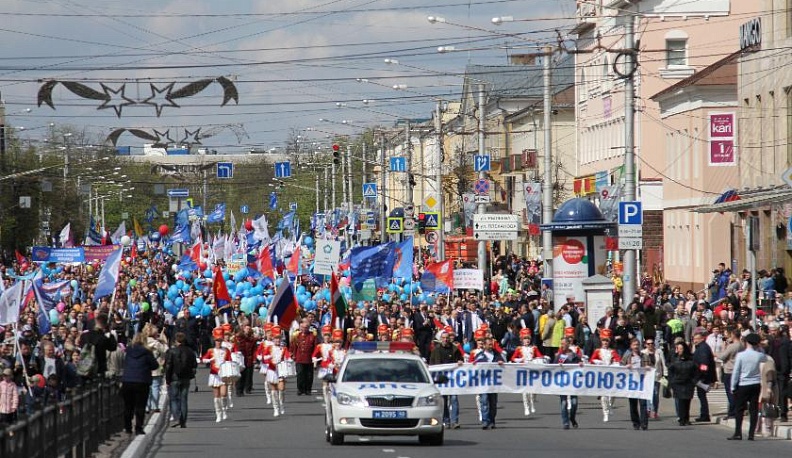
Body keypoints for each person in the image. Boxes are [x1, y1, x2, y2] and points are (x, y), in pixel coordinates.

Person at [729, 333, 766, 441]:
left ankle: (738, 432)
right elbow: (765, 358)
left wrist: (732, 386)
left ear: (746, 342)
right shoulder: (760, 355)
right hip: (756, 384)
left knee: (739, 409)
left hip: (743, 384)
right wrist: (760, 348)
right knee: (754, 409)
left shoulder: (741, 355)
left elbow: (736, 371)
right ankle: (751, 434)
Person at [120, 332, 159, 435]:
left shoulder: (128, 351)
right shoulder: (147, 352)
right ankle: (138, 427)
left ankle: (127, 427)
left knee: (128, 405)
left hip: (128, 380)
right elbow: (155, 365)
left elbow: (123, 363)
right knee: (140, 406)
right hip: (142, 380)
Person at [429, 329, 464, 429]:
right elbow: (432, 363)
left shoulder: (454, 349)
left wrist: (460, 361)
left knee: (454, 400)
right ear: (440, 339)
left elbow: (460, 359)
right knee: (443, 401)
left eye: (447, 338)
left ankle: (454, 421)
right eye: (443, 338)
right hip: (441, 380)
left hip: (453, 379)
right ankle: (446, 421)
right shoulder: (436, 350)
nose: (445, 340)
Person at [164, 332, 197, 428]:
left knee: (174, 398)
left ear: (176, 340)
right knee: (184, 399)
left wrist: (167, 379)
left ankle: (177, 417)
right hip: (186, 377)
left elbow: (168, 366)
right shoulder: (190, 351)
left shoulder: (171, 351)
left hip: (174, 378)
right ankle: (183, 421)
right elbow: (194, 364)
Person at [259, 325, 292, 417]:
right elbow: (263, 357)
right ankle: (276, 408)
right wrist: (269, 357)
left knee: (281, 389)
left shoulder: (284, 348)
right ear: (273, 339)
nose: (277, 340)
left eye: (279, 338)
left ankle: (281, 404)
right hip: (272, 369)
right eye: (276, 338)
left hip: (281, 370)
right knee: (273, 390)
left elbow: (287, 356)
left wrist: (289, 360)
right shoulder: (269, 348)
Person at [473, 336, 505, 429]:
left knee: (493, 403)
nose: (491, 346)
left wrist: (500, 362)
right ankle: (485, 421)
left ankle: (492, 421)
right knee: (484, 401)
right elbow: (473, 365)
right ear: (484, 345)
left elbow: (503, 362)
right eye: (489, 344)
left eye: (492, 344)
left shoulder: (497, 354)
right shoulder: (480, 356)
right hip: (483, 383)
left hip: (494, 383)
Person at [201, 327, 232, 423]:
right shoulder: (211, 350)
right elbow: (203, 359)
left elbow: (230, 361)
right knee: (216, 396)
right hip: (214, 375)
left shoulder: (226, 350)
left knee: (223, 394)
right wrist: (210, 360)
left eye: (220, 340)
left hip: (223, 374)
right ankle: (218, 414)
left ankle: (224, 410)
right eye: (217, 340)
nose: (218, 342)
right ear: (214, 341)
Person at [510, 328, 543, 415]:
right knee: (524, 390)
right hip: (523, 370)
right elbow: (513, 358)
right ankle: (526, 407)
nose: (527, 340)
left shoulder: (534, 348)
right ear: (521, 339)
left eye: (528, 338)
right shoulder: (519, 349)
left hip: (532, 370)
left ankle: (532, 404)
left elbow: (540, 357)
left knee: (533, 390)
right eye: (525, 338)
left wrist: (536, 360)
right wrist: (520, 359)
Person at [590, 329, 620, 422]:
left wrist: (614, 363)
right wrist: (598, 362)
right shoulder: (597, 351)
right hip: (601, 376)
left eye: (607, 340)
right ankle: (605, 413)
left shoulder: (612, 351)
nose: (605, 342)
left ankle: (610, 405)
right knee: (604, 396)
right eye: (604, 340)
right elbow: (591, 360)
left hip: (611, 375)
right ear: (601, 341)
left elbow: (618, 360)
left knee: (613, 394)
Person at [77, 313, 118, 381]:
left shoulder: (84, 335)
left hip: (84, 368)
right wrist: (110, 333)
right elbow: (113, 347)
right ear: (106, 324)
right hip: (98, 370)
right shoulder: (103, 338)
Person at [622, 338, 651, 430]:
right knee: (633, 404)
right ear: (631, 346)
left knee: (643, 404)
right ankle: (635, 422)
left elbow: (651, 367)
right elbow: (620, 367)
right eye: (634, 345)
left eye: (637, 345)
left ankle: (644, 423)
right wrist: (626, 366)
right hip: (631, 383)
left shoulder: (644, 356)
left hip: (642, 383)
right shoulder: (627, 356)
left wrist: (648, 367)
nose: (636, 347)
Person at [668, 340, 697, 427]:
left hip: (688, 383)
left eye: (681, 348)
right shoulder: (675, 358)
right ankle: (681, 419)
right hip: (678, 383)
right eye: (678, 348)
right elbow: (671, 370)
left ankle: (686, 418)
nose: (679, 350)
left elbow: (695, 370)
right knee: (680, 401)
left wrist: (694, 380)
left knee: (687, 401)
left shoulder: (691, 359)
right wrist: (671, 382)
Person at [554, 338, 581, 430]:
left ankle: (572, 418)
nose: (562, 345)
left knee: (574, 402)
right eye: (561, 344)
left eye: (564, 343)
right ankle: (565, 422)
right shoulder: (560, 355)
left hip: (573, 383)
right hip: (563, 383)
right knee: (564, 403)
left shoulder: (575, 355)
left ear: (568, 344)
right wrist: (558, 365)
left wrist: (581, 363)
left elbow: (580, 366)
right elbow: (553, 367)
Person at [717, 328, 743, 419]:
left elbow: (723, 356)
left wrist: (716, 353)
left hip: (730, 370)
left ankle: (732, 412)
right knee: (736, 392)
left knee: (730, 393)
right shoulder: (742, 345)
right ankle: (735, 410)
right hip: (738, 370)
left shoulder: (732, 346)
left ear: (733, 335)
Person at [691, 330, 716, 422]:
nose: (695, 341)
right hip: (702, 375)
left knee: (702, 396)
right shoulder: (701, 347)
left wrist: (701, 375)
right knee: (701, 395)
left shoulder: (703, 348)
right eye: (694, 339)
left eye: (696, 339)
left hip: (702, 376)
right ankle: (704, 414)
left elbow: (704, 363)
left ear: (702, 339)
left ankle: (704, 415)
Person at [144, 323, 168, 414]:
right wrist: (164, 341)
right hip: (156, 366)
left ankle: (147, 406)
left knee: (147, 387)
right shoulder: (156, 343)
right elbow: (165, 350)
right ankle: (155, 406)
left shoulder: (143, 342)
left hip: (145, 367)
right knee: (155, 386)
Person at [290, 318, 317, 396]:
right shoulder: (296, 335)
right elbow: (293, 346)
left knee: (309, 375)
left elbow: (315, 347)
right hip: (299, 358)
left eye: (306, 327)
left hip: (309, 358)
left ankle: (308, 389)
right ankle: (300, 389)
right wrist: (292, 355)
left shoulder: (312, 335)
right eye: (302, 327)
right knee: (300, 374)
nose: (304, 329)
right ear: (300, 327)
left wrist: (314, 356)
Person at [641, 338, 667, 419]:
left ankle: (655, 411)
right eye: (648, 344)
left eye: (652, 343)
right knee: (648, 393)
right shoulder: (643, 352)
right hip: (647, 377)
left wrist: (665, 374)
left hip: (657, 376)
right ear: (645, 345)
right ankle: (649, 410)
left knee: (655, 394)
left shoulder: (659, 352)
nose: (650, 345)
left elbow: (663, 363)